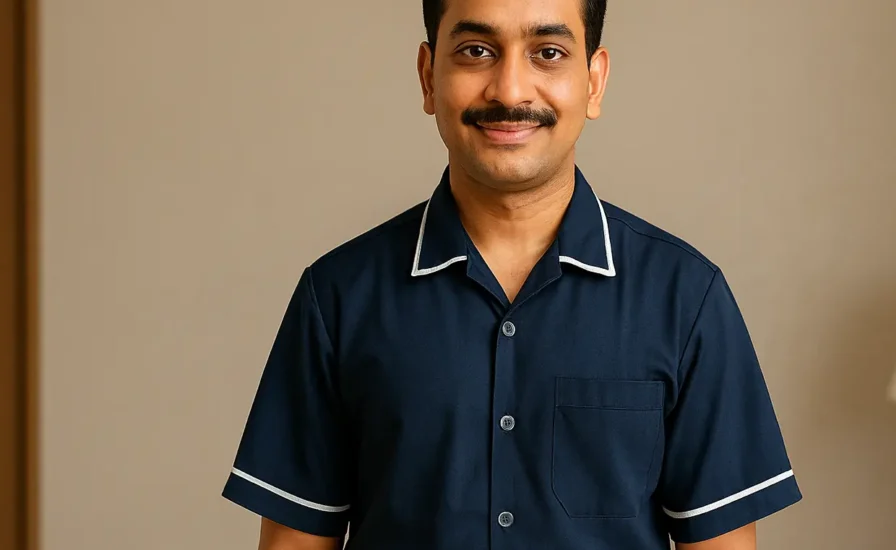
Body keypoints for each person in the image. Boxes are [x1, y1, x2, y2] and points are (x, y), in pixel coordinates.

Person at [221, 0, 802, 548]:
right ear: (427, 76)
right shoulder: (338, 298)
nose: (510, 90)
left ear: (594, 81)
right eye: (476, 50)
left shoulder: (685, 299)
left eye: (547, 53)